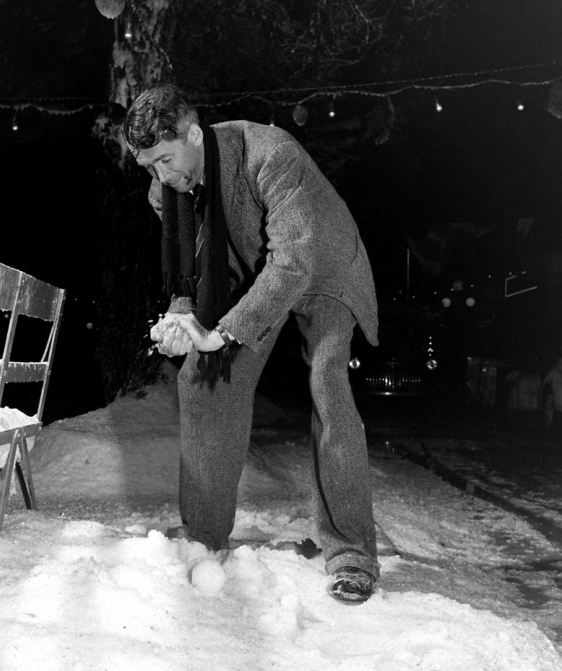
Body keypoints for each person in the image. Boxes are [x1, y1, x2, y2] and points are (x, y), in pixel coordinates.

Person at [122, 85, 380, 603]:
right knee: (202, 378)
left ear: (194, 134)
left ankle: (352, 554)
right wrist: (181, 320)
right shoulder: (164, 193)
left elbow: (293, 261)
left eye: (167, 160)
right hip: (258, 275)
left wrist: (224, 330)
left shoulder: (271, 153)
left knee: (327, 379)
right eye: (149, 167)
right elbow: (191, 272)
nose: (162, 178)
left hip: (324, 267)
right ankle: (203, 537)